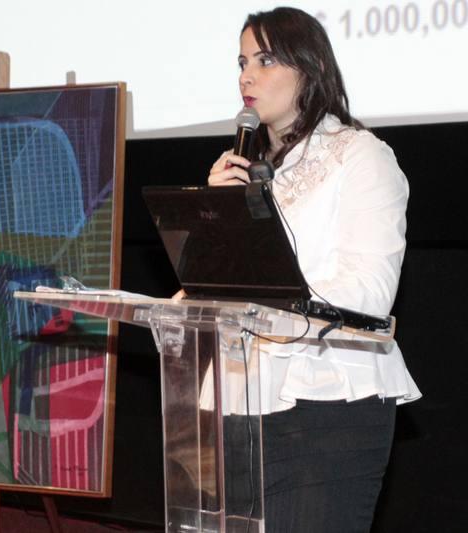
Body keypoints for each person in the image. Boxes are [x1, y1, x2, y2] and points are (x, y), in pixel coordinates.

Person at [206, 7, 421, 532]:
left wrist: (272, 304)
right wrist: (217, 217)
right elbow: (216, 291)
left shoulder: (361, 157)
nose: (246, 76)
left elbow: (370, 290)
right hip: (239, 406)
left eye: (265, 60)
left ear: (311, 67)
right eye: (241, 62)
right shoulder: (247, 175)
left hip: (326, 406)